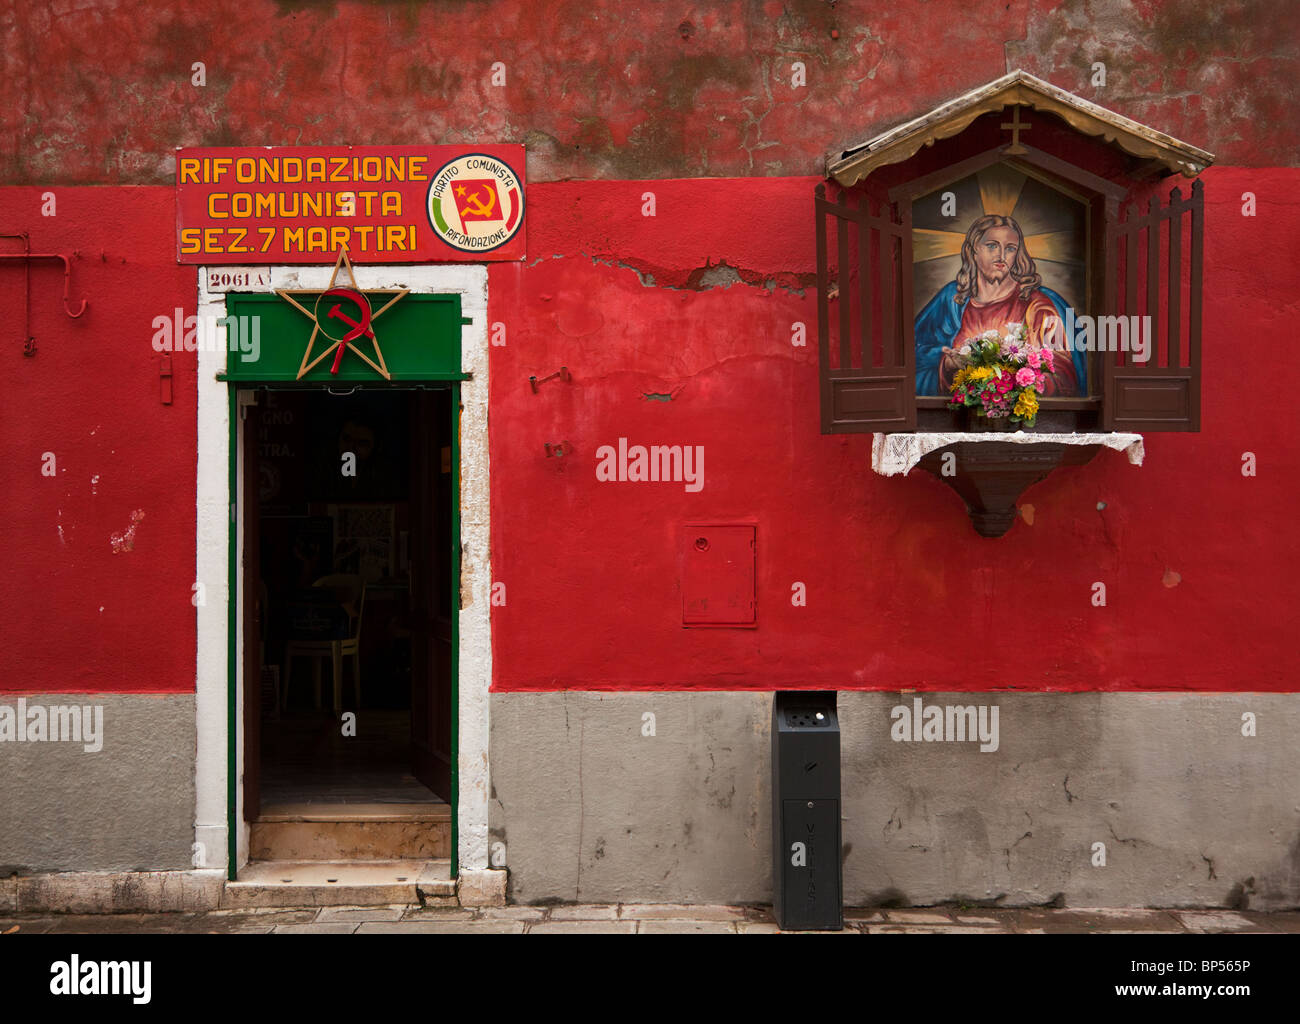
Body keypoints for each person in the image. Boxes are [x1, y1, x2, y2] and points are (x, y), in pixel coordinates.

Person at [914, 214, 1085, 396]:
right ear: (974, 250)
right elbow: (915, 354)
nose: (1001, 256)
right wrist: (948, 364)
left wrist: (1012, 383)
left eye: (1010, 248)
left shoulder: (1036, 305)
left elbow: (1062, 374)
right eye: (992, 246)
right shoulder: (953, 300)